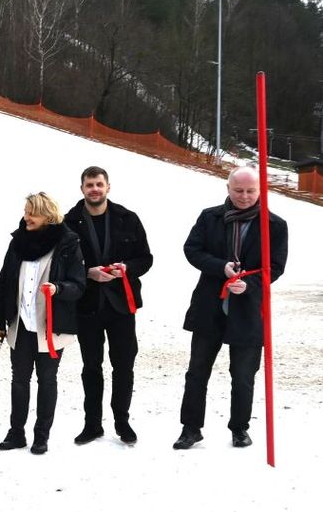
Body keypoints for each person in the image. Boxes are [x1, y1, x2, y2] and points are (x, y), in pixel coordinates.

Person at [174, 166, 288, 450]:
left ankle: (239, 428)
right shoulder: (209, 217)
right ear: (228, 189)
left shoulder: (274, 225)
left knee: (243, 375)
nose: (245, 196)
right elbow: (192, 250)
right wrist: (220, 268)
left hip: (249, 310)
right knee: (197, 371)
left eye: (251, 191)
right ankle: (190, 429)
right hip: (209, 307)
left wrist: (249, 284)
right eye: (239, 191)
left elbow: (274, 267)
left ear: (261, 191)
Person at [64, 166, 153, 446]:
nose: (94, 189)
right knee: (91, 366)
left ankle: (122, 421)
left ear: (108, 187)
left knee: (124, 366)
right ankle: (92, 425)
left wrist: (126, 268)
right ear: (82, 189)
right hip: (87, 305)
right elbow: (61, 264)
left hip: (121, 307)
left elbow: (146, 258)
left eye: (99, 184)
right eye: (89, 185)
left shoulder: (128, 219)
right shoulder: (68, 222)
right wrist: (87, 272)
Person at [0, 192, 86, 455]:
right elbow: (5, 283)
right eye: (25, 211)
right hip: (20, 325)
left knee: (47, 380)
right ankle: (16, 433)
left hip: (51, 328)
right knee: (19, 381)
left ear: (47, 215)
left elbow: (79, 285)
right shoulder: (18, 242)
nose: (26, 217)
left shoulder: (67, 243)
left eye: (31, 212)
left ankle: (41, 436)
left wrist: (58, 288)